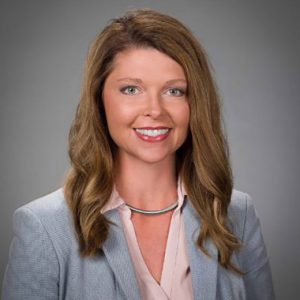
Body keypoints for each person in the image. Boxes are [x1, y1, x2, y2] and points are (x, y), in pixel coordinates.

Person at [2, 8, 275, 300]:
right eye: (131, 89)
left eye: (174, 91)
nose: (155, 110)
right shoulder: (44, 227)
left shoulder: (235, 215)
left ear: (195, 103)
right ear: (99, 100)